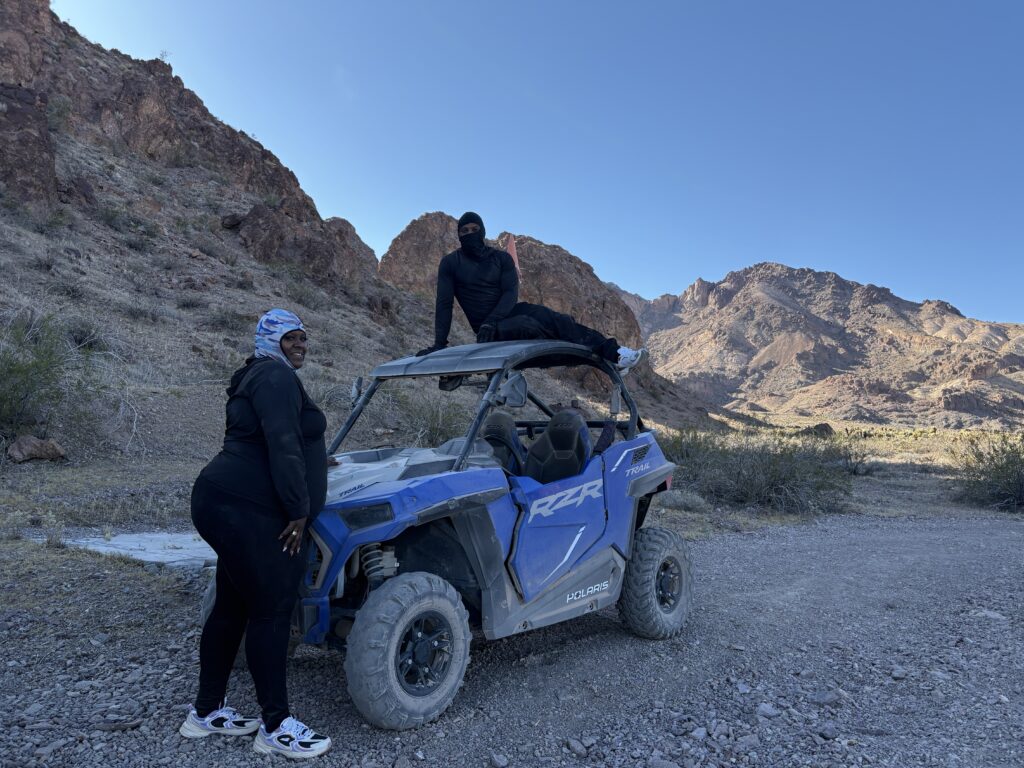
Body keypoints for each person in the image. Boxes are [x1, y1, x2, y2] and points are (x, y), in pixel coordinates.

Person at [180, 308, 332, 760]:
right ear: (270, 340)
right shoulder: (276, 378)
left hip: (223, 502)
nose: (300, 344)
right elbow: (283, 441)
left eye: (304, 337)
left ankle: (205, 713)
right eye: (290, 338)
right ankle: (276, 727)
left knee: (231, 605)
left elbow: (266, 439)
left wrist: (319, 461)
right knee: (271, 610)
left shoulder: (258, 376)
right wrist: (300, 511)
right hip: (247, 509)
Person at [415, 211, 647, 370]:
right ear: (458, 235)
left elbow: (509, 293)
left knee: (559, 320)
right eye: (464, 231)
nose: (469, 234)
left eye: (474, 229)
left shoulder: (501, 258)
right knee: (527, 326)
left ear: (483, 230)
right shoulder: (450, 263)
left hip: (508, 312)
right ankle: (588, 358)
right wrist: (439, 343)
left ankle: (616, 354)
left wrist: (493, 319)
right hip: (487, 330)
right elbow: (443, 304)